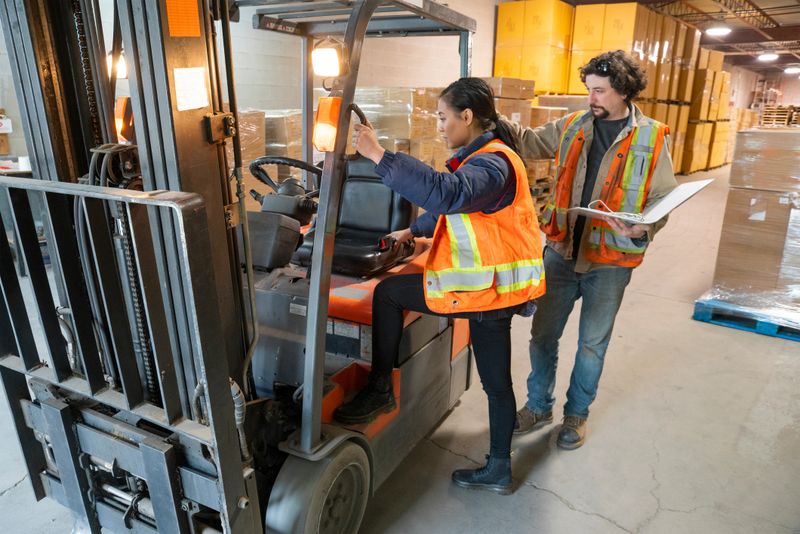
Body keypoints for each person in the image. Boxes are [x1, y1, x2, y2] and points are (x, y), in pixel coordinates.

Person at [333, 78, 545, 494]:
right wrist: (410, 231)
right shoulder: (484, 159)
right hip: (488, 291)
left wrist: (378, 154)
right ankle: (499, 466)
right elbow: (458, 210)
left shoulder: (493, 164)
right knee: (497, 383)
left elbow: (449, 196)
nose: (440, 126)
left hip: (485, 294)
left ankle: (381, 389)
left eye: (444, 117)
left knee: (390, 294)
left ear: (467, 117)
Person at [507, 50, 677, 449]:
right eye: (589, 90)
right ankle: (538, 406)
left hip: (610, 261)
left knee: (591, 345)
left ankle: (576, 415)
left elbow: (664, 196)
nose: (591, 98)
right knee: (542, 337)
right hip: (562, 251)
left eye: (599, 92)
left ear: (622, 92)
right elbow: (529, 142)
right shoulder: (573, 125)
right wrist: (489, 118)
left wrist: (644, 226)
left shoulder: (651, 136)